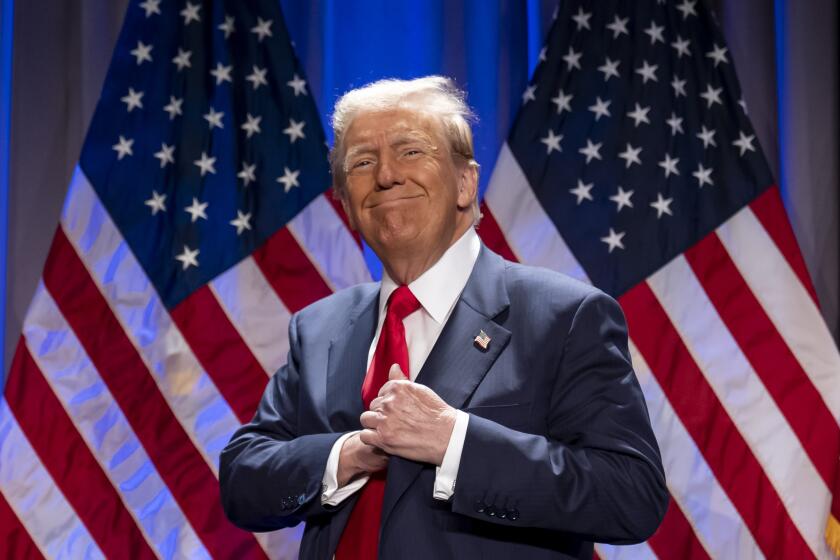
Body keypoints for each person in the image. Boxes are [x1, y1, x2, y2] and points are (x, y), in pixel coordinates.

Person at [219, 76, 668, 559]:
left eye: (411, 152)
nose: (386, 175)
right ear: (346, 204)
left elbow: (631, 494)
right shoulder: (318, 328)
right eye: (363, 162)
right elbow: (244, 478)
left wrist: (455, 441)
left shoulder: (565, 316)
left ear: (465, 183)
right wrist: (346, 454)